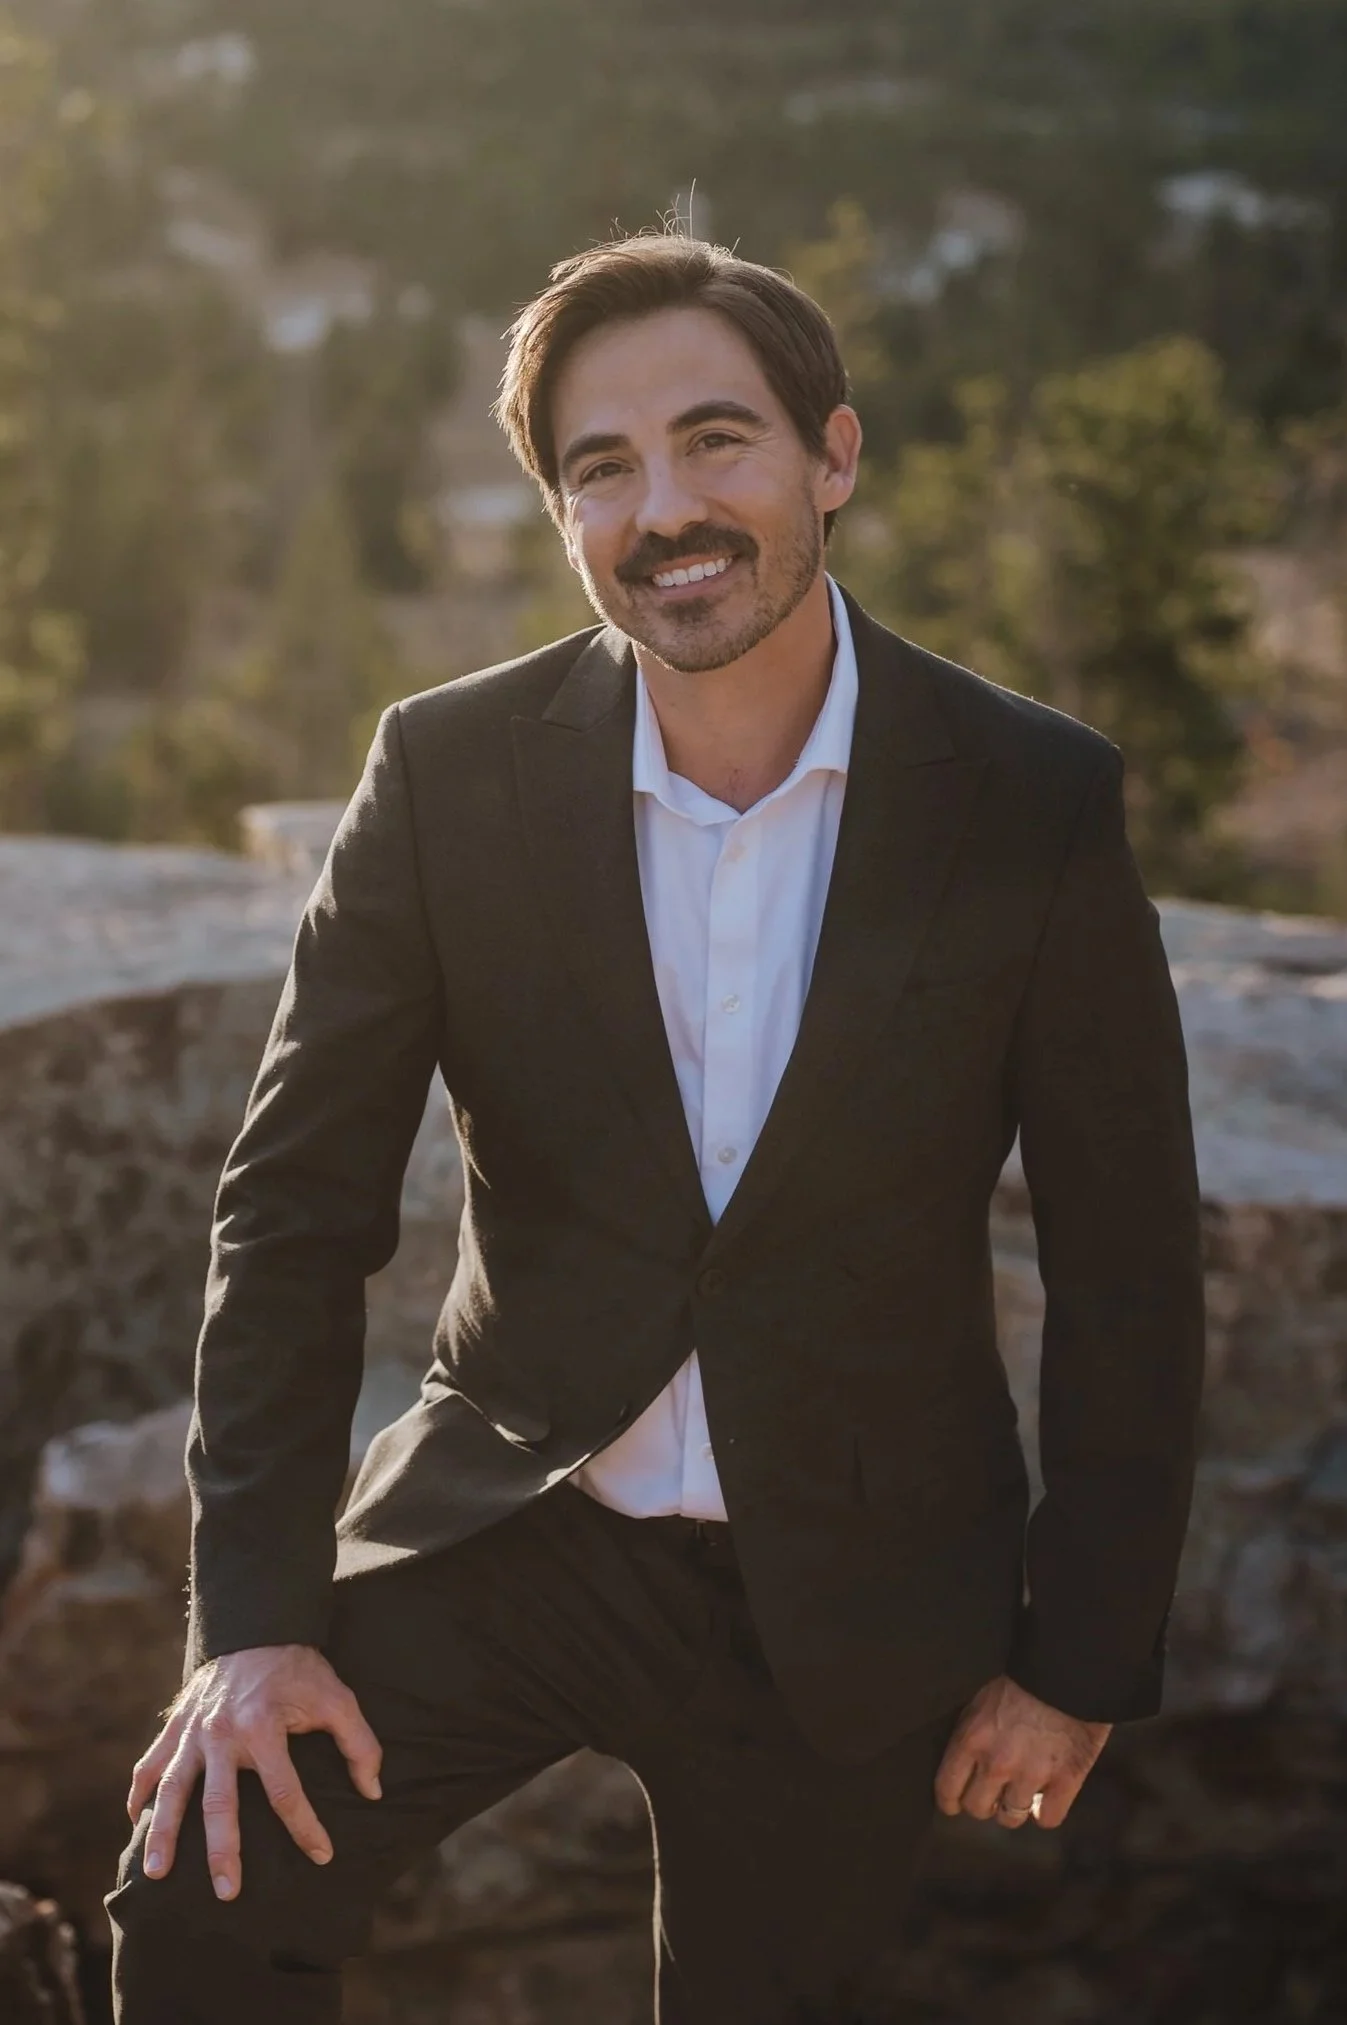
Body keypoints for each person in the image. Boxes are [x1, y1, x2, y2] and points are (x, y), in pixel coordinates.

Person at [106, 232, 1205, 2024]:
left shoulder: (1029, 798)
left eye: (716, 440)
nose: (664, 508)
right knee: (202, 1899)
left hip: (852, 1586)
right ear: (560, 516)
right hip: (512, 1521)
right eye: (600, 468)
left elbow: (1128, 1269)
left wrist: (1075, 1659)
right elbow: (292, 1210)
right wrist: (249, 1627)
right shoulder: (447, 777)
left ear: (830, 457)